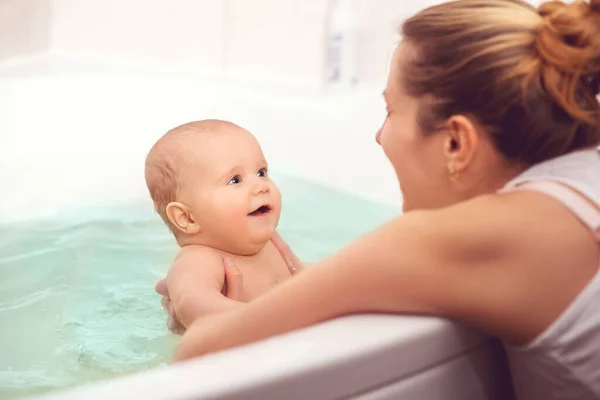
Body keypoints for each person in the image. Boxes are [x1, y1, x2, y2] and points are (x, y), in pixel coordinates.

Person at [160, 0, 600, 398]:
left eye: (390, 111)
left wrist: (201, 307)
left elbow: (201, 349)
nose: (378, 135)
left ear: (456, 144)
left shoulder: (470, 237)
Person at [145, 120, 297, 331]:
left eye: (261, 172)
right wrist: (258, 318)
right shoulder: (199, 260)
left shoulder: (270, 244)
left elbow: (309, 278)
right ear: (187, 218)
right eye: (235, 180)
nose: (260, 186)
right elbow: (191, 303)